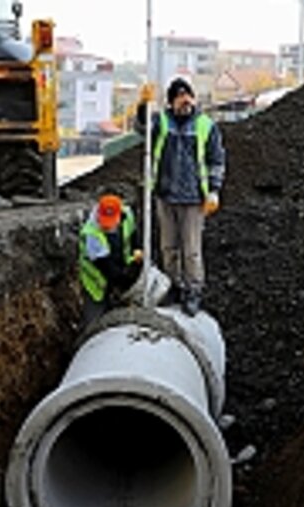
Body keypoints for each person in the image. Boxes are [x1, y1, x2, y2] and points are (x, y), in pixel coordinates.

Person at [137, 78, 226, 316]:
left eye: (188, 95)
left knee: (192, 250)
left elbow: (216, 160)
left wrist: (214, 190)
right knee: (169, 248)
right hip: (165, 195)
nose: (185, 100)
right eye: (179, 96)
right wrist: (142, 106)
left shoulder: (206, 125)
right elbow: (141, 130)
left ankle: (193, 291)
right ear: (171, 101)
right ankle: (173, 286)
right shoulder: (162, 122)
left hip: (194, 199)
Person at [79, 193, 143, 327]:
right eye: (105, 222)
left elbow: (134, 236)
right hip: (97, 283)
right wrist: (125, 282)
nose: (108, 227)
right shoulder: (91, 235)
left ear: (120, 215)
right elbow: (108, 268)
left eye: (112, 221)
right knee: (93, 323)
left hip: (119, 267)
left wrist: (137, 251)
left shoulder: (128, 215)